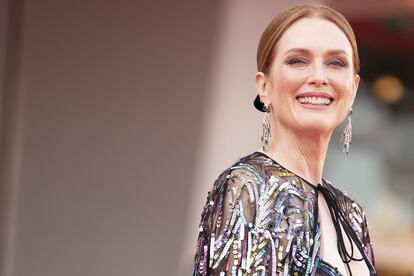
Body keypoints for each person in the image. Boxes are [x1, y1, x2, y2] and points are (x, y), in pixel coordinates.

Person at [192, 3, 377, 276]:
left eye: (336, 63)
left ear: (353, 89)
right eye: (297, 60)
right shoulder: (248, 187)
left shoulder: (352, 215)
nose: (318, 77)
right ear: (264, 87)